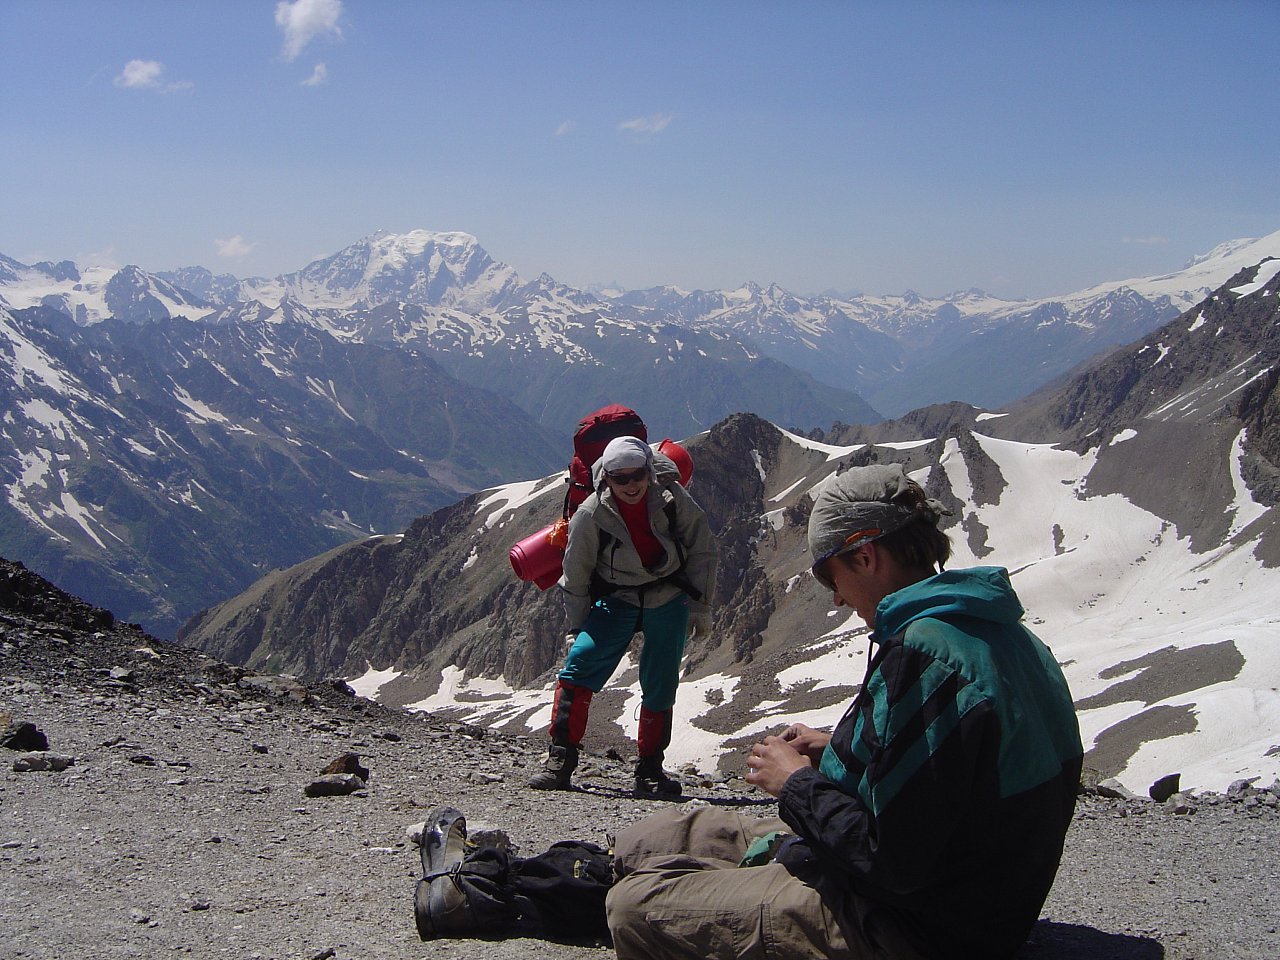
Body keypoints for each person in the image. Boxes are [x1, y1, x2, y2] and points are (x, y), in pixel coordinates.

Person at [417, 463, 1083, 959]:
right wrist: (836, 747)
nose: (833, 598)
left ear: (866, 554)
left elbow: (894, 862)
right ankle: (502, 879)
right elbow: (949, 781)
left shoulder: (929, 655)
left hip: (920, 930)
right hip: (953, 898)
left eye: (831, 576)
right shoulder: (992, 633)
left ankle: (478, 897)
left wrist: (797, 784)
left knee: (634, 907)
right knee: (663, 840)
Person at [529, 434, 718, 797]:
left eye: (637, 476)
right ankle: (561, 760)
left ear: (649, 472)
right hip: (617, 598)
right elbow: (577, 572)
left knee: (661, 682)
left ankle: (649, 771)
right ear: (607, 479)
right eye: (620, 478)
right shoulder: (590, 513)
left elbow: (702, 548)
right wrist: (577, 625)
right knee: (578, 667)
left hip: (668, 594)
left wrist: (700, 606)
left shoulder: (673, 497)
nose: (630, 485)